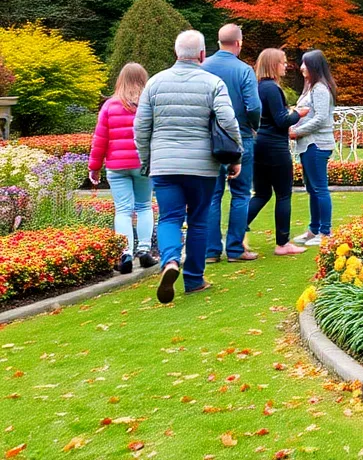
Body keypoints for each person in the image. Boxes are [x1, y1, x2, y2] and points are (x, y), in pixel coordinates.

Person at [134, 30, 242, 303]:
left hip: (164, 165)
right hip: (202, 167)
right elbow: (229, 121)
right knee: (198, 220)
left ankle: (170, 261)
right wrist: (235, 156)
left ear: (176, 53)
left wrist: (147, 160)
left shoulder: (154, 83)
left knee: (169, 217)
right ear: (202, 54)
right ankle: (194, 279)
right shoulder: (213, 83)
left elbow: (141, 127)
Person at [202, 24, 262, 264]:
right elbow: (254, 106)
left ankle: (211, 251)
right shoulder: (244, 70)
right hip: (241, 136)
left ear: (218, 42)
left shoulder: (203, 67)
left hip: (209, 139)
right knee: (241, 194)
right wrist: (253, 125)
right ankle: (236, 249)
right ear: (239, 43)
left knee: (212, 195)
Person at [89, 62, 154, 273]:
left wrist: (94, 167)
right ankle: (144, 250)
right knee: (144, 206)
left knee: (123, 210)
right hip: (143, 164)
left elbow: (100, 140)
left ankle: (125, 254)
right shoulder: (149, 104)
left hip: (117, 166)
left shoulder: (109, 106)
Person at [247, 49, 307, 255]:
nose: (286, 66)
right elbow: (281, 120)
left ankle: (236, 231)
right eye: (283, 62)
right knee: (283, 194)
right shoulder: (272, 88)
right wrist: (298, 114)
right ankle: (283, 243)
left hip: (260, 144)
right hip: (275, 147)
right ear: (273, 65)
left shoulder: (257, 87)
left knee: (262, 193)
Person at [292, 50, 336, 247]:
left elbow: (320, 118)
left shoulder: (320, 89)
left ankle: (325, 231)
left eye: (305, 64)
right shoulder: (311, 88)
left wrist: (297, 131)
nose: (302, 67)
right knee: (312, 188)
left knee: (319, 188)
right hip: (308, 144)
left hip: (316, 144)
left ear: (315, 67)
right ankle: (314, 229)